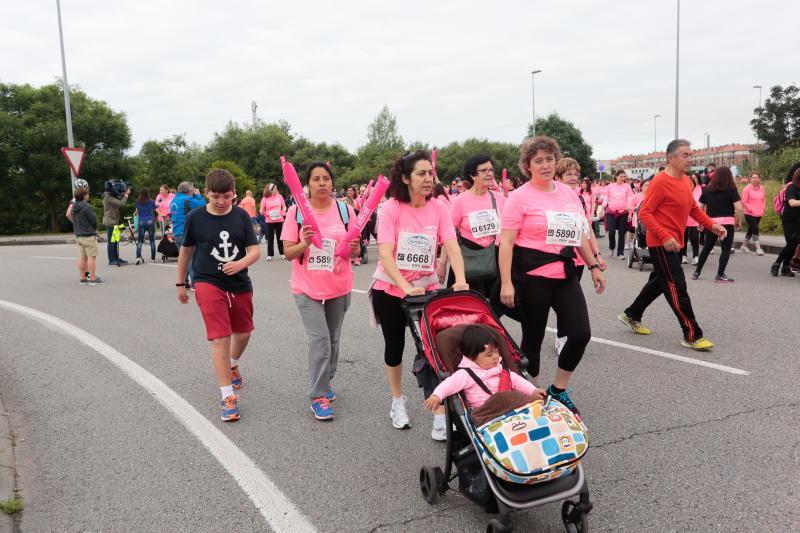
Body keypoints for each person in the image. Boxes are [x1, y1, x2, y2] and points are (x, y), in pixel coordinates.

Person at [498, 136, 606, 416]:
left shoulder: (569, 194)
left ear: (555, 161)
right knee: (532, 340)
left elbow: (578, 233)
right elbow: (507, 243)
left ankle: (558, 390)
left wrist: (593, 265)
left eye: (549, 159)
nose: (545, 165)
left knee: (581, 333)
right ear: (527, 166)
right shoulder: (518, 198)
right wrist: (507, 282)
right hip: (532, 275)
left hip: (565, 272)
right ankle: (530, 393)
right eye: (538, 161)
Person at [370, 149, 468, 438]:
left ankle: (439, 413)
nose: (428, 179)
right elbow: (386, 255)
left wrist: (460, 279)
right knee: (394, 348)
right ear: (405, 178)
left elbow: (451, 245)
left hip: (426, 292)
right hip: (390, 290)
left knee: (431, 350)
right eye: (421, 173)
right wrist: (404, 287)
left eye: (430, 173)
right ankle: (397, 401)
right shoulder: (391, 208)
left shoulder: (438, 208)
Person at [618, 139, 728, 351]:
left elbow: (693, 209)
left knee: (660, 281)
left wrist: (712, 225)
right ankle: (692, 334)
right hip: (661, 243)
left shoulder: (686, 181)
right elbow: (645, 213)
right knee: (677, 286)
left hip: (675, 242)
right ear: (671, 158)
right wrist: (664, 236)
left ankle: (632, 314)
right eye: (685, 155)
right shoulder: (660, 181)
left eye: (691, 154)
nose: (690, 159)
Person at [176, 169, 260, 422]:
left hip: (239, 281)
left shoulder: (242, 216)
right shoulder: (195, 217)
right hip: (207, 281)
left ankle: (232, 364)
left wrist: (240, 263)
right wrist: (181, 283)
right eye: (216, 197)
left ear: (234, 194)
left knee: (243, 332)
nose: (222, 202)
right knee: (220, 337)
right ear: (206, 194)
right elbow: (186, 251)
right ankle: (228, 397)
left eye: (227, 196)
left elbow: (254, 250)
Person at [281, 162, 360, 421]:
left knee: (333, 340)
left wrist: (356, 247)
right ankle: (317, 396)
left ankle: (326, 382)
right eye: (316, 179)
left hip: (338, 285)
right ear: (308, 185)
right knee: (321, 340)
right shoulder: (296, 213)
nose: (322, 183)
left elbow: (355, 251)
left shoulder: (346, 211)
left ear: (333, 183)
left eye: (326, 178)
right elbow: (288, 253)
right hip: (307, 287)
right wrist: (304, 242)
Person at [552, 158, 607, 355]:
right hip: (557, 257)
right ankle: (561, 336)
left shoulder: (580, 199)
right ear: (557, 177)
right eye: (569, 174)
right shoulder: (552, 199)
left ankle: (563, 334)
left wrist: (596, 255)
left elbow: (587, 229)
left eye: (576, 174)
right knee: (561, 301)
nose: (574, 178)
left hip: (579, 258)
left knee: (567, 301)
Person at [423, 325, 544, 412]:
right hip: (486, 412)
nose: (496, 356)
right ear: (472, 357)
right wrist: (437, 396)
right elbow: (449, 384)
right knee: (514, 399)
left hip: (509, 407)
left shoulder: (501, 369)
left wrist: (532, 390)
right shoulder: (466, 374)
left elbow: (519, 382)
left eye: (496, 351)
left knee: (519, 396)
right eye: (489, 355)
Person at [439, 154, 505, 297]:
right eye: (484, 170)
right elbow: (448, 234)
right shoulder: (460, 201)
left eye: (491, 170)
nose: (489, 174)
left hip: (493, 260)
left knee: (495, 308)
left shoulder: (499, 199)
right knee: (472, 308)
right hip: (469, 263)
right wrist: (443, 263)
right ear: (473, 175)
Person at [691, 166, 742, 283]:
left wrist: (702, 221)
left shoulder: (707, 190)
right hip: (727, 223)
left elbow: (699, 207)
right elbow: (738, 208)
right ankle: (720, 275)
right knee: (725, 249)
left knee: (707, 248)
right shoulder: (731, 190)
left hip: (711, 223)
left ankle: (697, 272)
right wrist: (737, 221)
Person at [170, 182, 206, 288]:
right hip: (186, 232)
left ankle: (184, 282)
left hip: (177, 233)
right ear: (189, 191)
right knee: (192, 259)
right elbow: (203, 206)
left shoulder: (174, 200)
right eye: (192, 190)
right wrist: (198, 195)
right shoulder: (186, 199)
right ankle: (195, 284)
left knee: (183, 258)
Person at [71, 185, 103, 285]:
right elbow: (93, 220)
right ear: (84, 196)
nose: (88, 195)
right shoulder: (86, 206)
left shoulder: (74, 206)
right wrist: (95, 229)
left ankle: (83, 278)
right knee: (91, 257)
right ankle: (93, 278)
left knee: (82, 257)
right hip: (88, 235)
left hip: (79, 235)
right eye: (87, 194)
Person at [771, 165, 800, 277]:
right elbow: (792, 203)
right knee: (791, 243)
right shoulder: (791, 187)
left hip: (798, 220)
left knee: (795, 243)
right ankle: (777, 263)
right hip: (789, 219)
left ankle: (786, 267)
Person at [603, 170, 635, 259]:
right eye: (621, 176)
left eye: (624, 177)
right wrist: (602, 209)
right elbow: (606, 198)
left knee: (622, 233)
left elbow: (630, 199)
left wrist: (630, 214)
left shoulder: (627, 187)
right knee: (611, 232)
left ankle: (620, 253)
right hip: (611, 212)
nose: (623, 178)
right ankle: (612, 247)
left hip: (623, 212)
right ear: (616, 176)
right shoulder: (610, 186)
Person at [102, 181, 131, 266]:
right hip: (110, 222)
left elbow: (118, 199)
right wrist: (126, 195)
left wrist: (122, 194)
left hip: (115, 222)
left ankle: (116, 258)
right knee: (112, 242)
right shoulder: (108, 197)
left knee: (115, 241)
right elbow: (121, 203)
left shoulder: (111, 196)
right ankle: (111, 260)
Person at [740, 173, 766, 255]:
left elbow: (763, 199)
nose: (755, 179)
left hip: (759, 213)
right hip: (749, 213)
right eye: (753, 178)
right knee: (755, 228)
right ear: (750, 179)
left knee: (751, 230)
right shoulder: (746, 189)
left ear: (759, 179)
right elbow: (744, 201)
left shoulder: (762, 188)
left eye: (757, 177)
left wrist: (763, 208)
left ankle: (743, 246)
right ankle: (758, 249)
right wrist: (750, 209)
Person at [260, 183, 286, 261]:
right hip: (269, 220)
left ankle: (282, 253)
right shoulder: (265, 198)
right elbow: (261, 210)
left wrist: (283, 211)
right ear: (270, 190)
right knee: (270, 238)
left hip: (279, 219)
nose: (276, 190)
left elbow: (284, 206)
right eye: (275, 189)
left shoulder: (279, 196)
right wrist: (266, 214)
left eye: (276, 188)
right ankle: (270, 255)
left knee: (280, 238)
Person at [681, 174, 702, 265]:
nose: (690, 186)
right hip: (684, 219)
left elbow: (701, 206)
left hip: (695, 219)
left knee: (694, 237)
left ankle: (695, 257)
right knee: (684, 238)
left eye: (692, 184)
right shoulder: (682, 193)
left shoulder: (699, 191)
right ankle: (683, 255)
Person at [134, 187, 157, 265]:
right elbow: (156, 209)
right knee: (152, 241)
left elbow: (137, 211)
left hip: (141, 221)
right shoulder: (151, 201)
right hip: (150, 221)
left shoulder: (137, 202)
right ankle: (153, 258)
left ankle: (138, 257)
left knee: (140, 241)